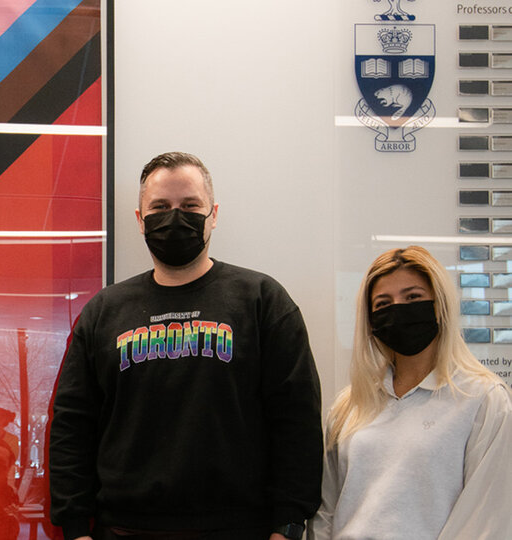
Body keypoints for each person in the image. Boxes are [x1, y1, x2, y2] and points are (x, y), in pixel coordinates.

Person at [48, 152, 323, 540]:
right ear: (140, 219)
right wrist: (75, 527)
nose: (175, 217)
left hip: (241, 528)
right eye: (160, 207)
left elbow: (297, 419)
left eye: (189, 205)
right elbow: (72, 427)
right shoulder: (104, 312)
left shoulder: (262, 301)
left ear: (213, 214)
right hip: (125, 528)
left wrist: (290, 525)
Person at [309, 246, 512, 539]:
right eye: (382, 303)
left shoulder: (483, 399)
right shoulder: (350, 406)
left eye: (413, 297)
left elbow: (486, 518)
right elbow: (326, 509)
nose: (398, 308)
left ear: (439, 303)